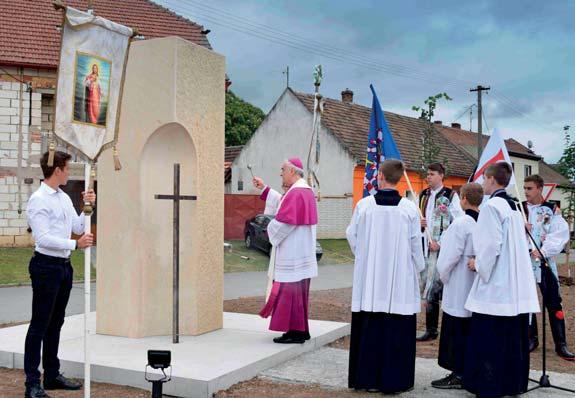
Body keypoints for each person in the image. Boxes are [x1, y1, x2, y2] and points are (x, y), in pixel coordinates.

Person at [346, 159, 425, 394]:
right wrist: (418, 268)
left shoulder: (365, 206)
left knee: (370, 328)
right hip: (398, 282)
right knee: (396, 331)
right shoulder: (410, 209)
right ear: (399, 178)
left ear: (380, 176)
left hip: (370, 281)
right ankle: (395, 380)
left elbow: (352, 236)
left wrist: (367, 256)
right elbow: (415, 246)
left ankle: (367, 379)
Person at [464, 162, 540, 397]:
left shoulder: (491, 207)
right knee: (510, 339)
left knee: (490, 340)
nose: (482, 183)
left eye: (484, 179)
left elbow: (489, 246)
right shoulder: (514, 207)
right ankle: (511, 383)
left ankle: (489, 386)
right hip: (513, 284)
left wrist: (479, 266)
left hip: (496, 285)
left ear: (492, 180)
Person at [24, 151, 95, 398]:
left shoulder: (63, 197)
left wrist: (88, 206)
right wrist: (77, 245)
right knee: (39, 325)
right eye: (67, 168)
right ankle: (32, 383)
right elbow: (42, 238)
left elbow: (77, 226)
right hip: (45, 266)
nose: (69, 172)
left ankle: (52, 375)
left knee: (56, 323)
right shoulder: (39, 199)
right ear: (57, 170)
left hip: (63, 266)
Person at [252, 157, 318, 344]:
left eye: (282, 169)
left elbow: (286, 221)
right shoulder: (302, 191)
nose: (280, 173)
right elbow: (282, 202)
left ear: (292, 171)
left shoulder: (297, 193)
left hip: (293, 255)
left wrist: (269, 228)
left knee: (292, 295)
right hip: (300, 253)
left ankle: (295, 332)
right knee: (298, 295)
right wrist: (264, 189)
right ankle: (301, 330)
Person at [431, 183, 483, 390]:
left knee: (457, 332)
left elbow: (448, 256)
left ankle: (458, 373)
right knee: (470, 331)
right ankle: (469, 370)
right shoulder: (484, 222)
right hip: (477, 284)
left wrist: (442, 276)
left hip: (459, 284)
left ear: (463, 199)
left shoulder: (461, 223)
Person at [522, 174, 574, 360]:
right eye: (525, 188)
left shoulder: (551, 209)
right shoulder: (519, 209)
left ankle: (561, 344)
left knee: (554, 302)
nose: (526, 192)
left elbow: (560, 233)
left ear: (539, 189)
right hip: (524, 263)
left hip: (544, 262)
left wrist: (543, 251)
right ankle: (531, 338)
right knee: (527, 301)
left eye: (530, 188)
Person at [417, 162, 464, 342]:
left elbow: (457, 221)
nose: (428, 177)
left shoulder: (450, 195)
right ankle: (431, 328)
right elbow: (421, 217)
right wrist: (419, 225)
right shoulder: (423, 195)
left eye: (432, 174)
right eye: (427, 174)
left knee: (439, 285)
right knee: (429, 287)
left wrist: (442, 242)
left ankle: (449, 327)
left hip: (442, 248)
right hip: (426, 246)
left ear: (441, 175)